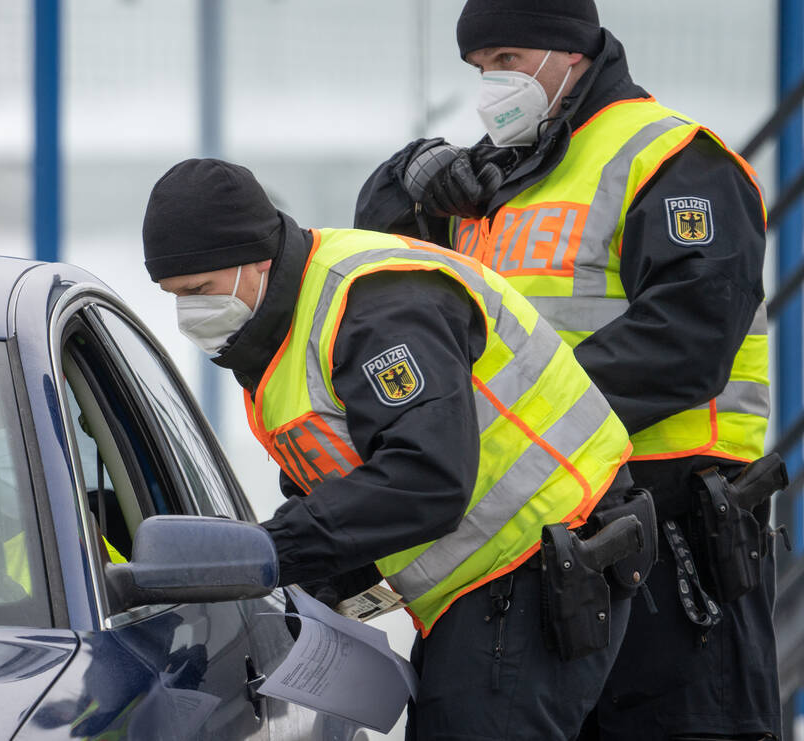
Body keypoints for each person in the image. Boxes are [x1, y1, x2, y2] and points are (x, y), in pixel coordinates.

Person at [354, 1, 780, 739]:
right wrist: (407, 176)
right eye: (480, 69)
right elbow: (384, 279)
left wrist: (516, 428)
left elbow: (687, 339)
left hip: (672, 551)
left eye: (508, 61)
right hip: (532, 554)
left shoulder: (674, 159)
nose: (491, 85)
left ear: (570, 55)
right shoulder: (495, 179)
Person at [142, 157, 656, 740]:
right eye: (174, 296)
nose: (189, 313)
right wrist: (307, 590)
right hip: (489, 584)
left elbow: (426, 478)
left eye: (199, 290)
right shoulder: (279, 333)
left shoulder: (377, 306)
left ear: (255, 258)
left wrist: (272, 549)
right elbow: (344, 484)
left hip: (539, 565)